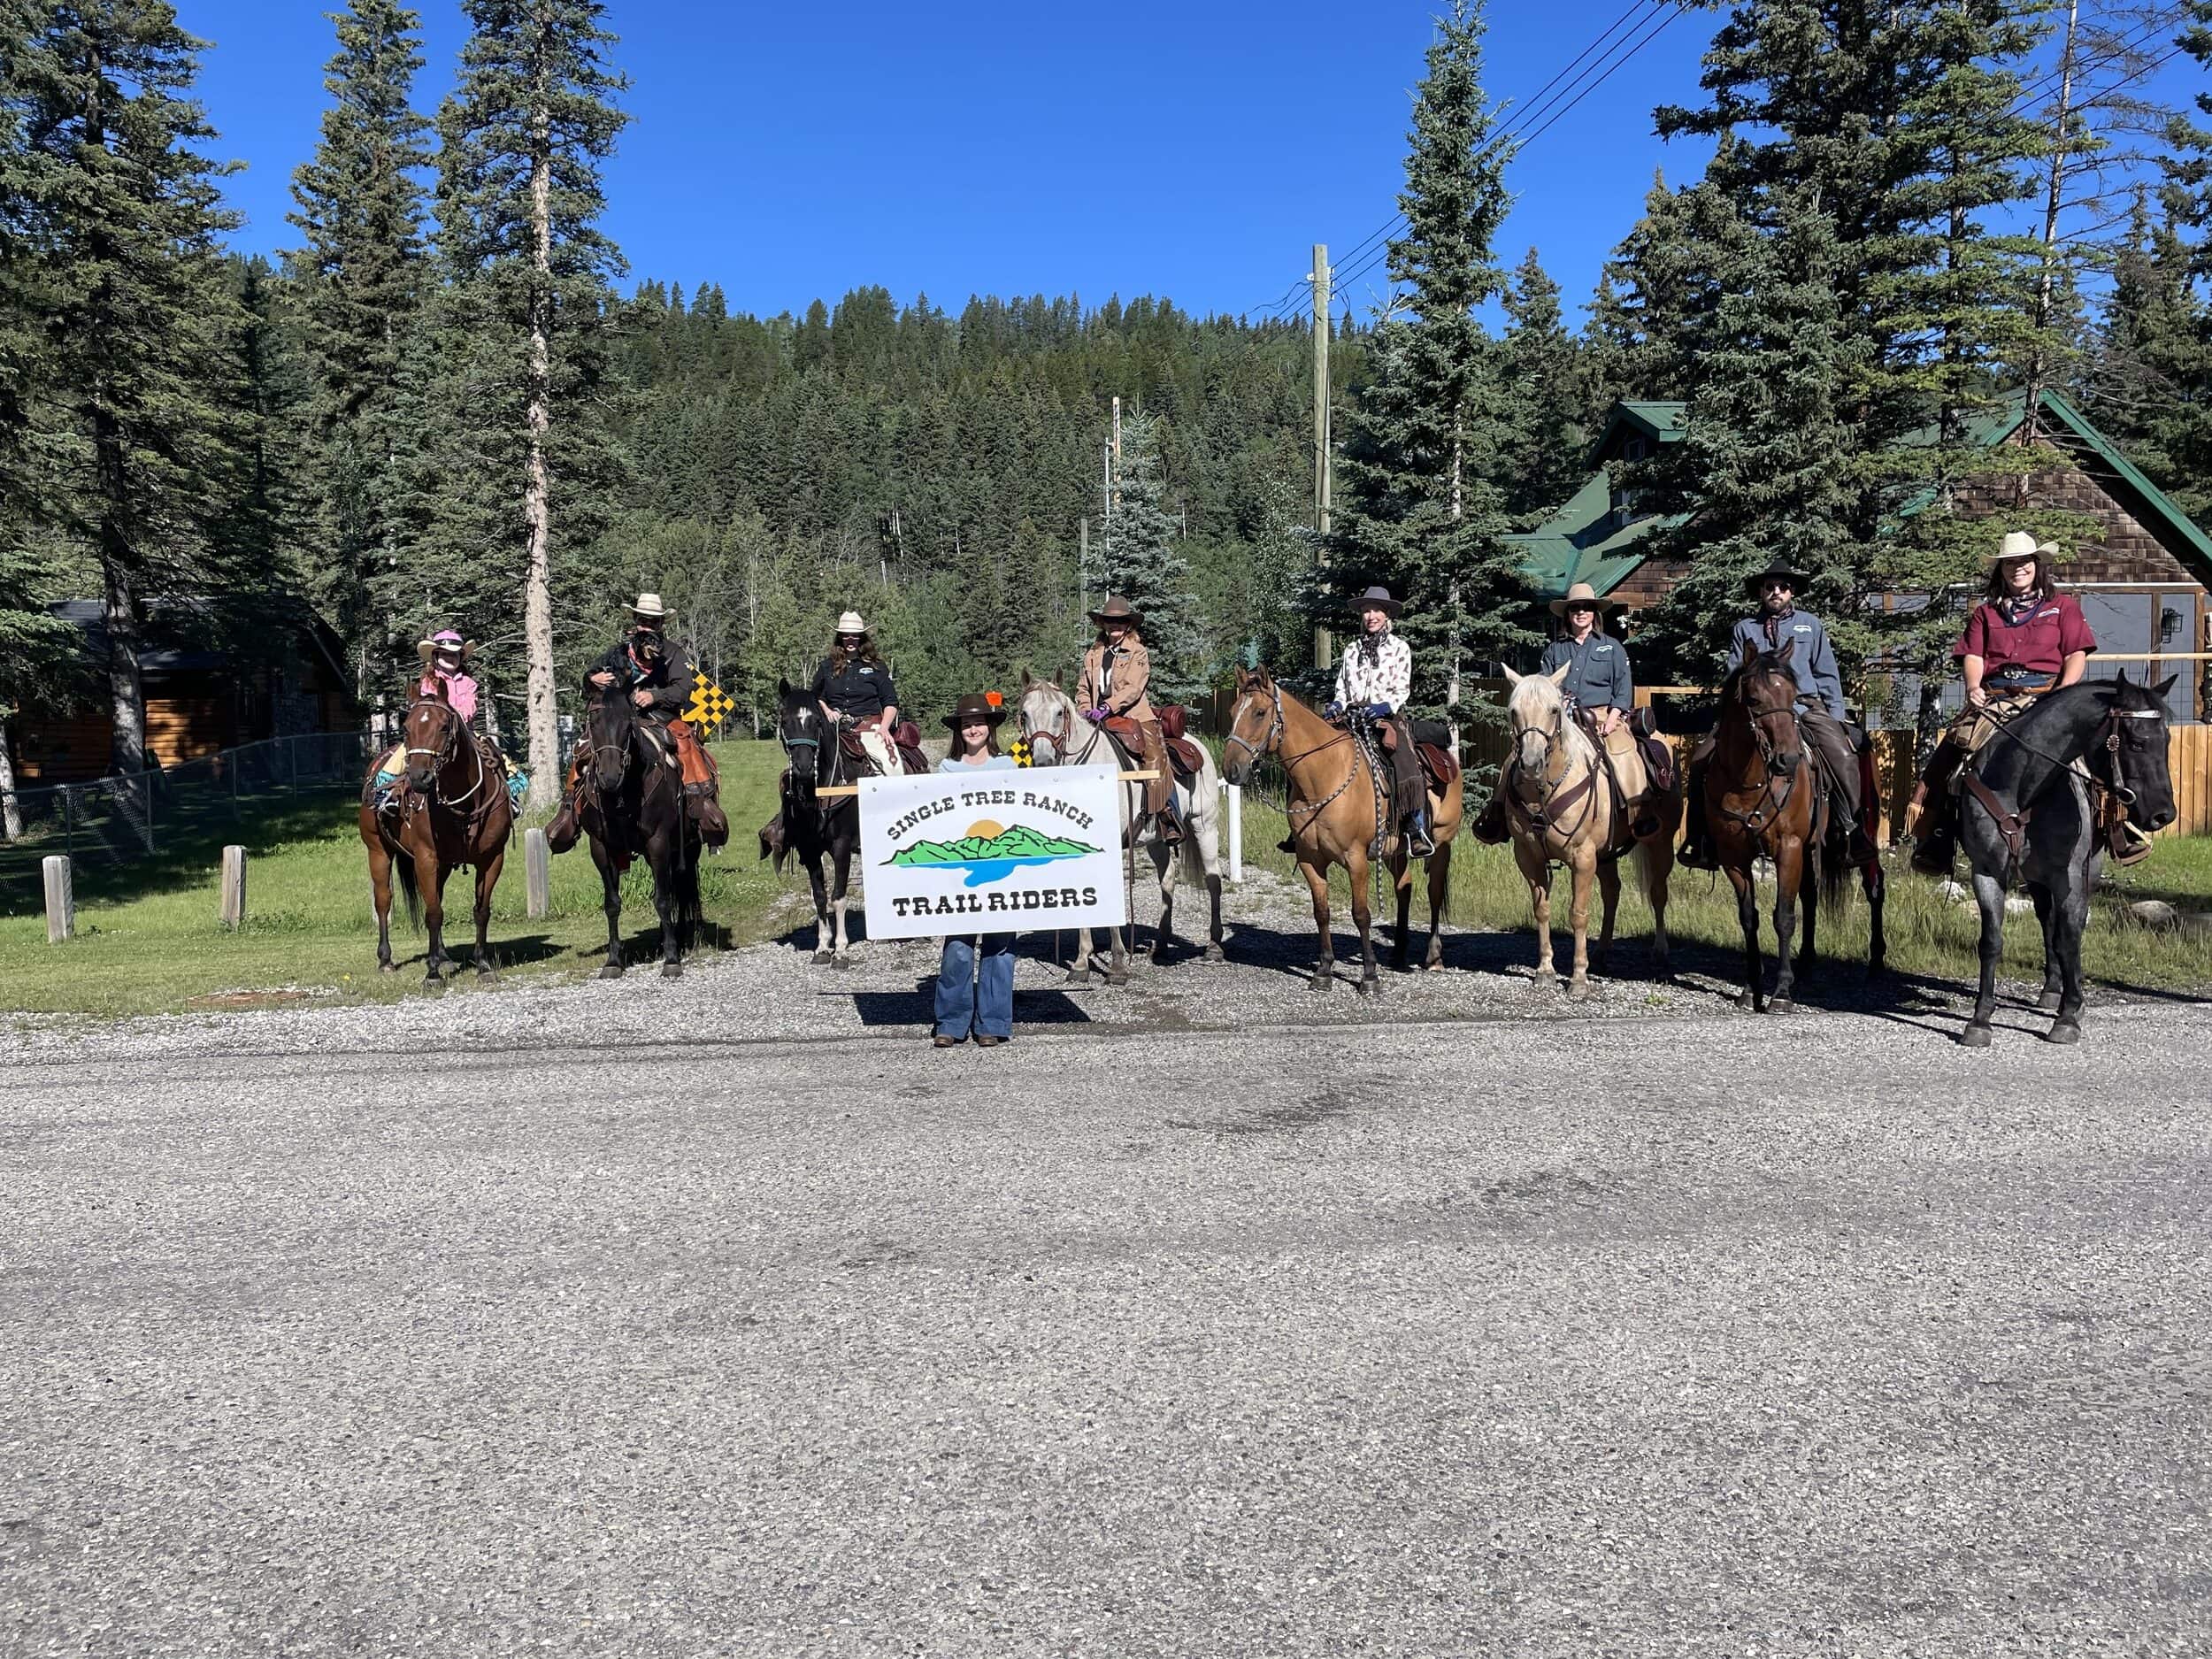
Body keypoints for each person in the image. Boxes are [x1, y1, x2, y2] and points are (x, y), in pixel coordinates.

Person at [1908, 530, 2096, 876]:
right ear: (2001, 570)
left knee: (2096, 759)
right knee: (1952, 754)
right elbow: (1974, 656)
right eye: (2009, 564)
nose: (2017, 569)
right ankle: (1936, 838)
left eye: (2023, 562)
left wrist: (2065, 692)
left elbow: (2075, 654)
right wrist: (1973, 686)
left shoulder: (2063, 608)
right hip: (1995, 697)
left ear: (2037, 566)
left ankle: (2116, 829)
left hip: (2048, 696)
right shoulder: (1986, 614)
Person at [1678, 557, 1881, 869]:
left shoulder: (1810, 625)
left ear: (1791, 592)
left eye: (1782, 587)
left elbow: (1826, 673)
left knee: (1842, 755)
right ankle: (1701, 839)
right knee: (1700, 760)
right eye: (1770, 587)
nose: (1776, 591)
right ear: (1761, 592)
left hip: (1804, 707)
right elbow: (1734, 675)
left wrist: (1836, 715)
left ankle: (1850, 831)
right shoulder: (1744, 629)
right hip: (1754, 714)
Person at [545, 592, 727, 850]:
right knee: (583, 748)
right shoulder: (618, 652)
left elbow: (685, 689)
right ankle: (568, 811)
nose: (648, 626)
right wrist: (592, 680)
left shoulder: (673, 653)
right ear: (636, 621)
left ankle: (702, 807)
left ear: (661, 625)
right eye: (644, 620)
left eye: (653, 622)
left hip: (662, 717)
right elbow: (591, 677)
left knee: (686, 745)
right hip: (618, 717)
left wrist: (654, 695)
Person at [933, 692, 1019, 1048]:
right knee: (958, 946)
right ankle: (951, 1022)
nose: (973, 729)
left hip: (1003, 869)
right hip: (960, 872)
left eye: (979, 723)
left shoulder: (1009, 768)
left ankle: (993, 1022)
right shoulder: (944, 770)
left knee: (1000, 946)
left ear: (990, 728)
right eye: (967, 724)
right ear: (959, 730)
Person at [1325, 584, 1431, 856]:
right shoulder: (1351, 650)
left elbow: (1402, 689)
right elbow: (1342, 686)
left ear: (1386, 615)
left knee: (1403, 758)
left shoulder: (1400, 648)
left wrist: (1383, 707)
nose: (1370, 616)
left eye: (1376, 610)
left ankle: (1414, 828)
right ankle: (1305, 824)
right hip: (1352, 717)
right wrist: (1337, 703)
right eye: (1366, 611)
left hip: (1386, 717)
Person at [1077, 595, 1182, 844]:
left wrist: (1108, 706)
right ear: (1102, 623)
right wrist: (1084, 708)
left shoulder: (1138, 652)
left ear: (1128, 625)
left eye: (1120, 621)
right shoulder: (1093, 653)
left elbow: (1134, 688)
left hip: (1133, 715)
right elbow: (1083, 686)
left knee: (1154, 757)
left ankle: (1167, 816)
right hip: (1096, 718)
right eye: (1109, 621)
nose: (1114, 626)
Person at [811, 610, 905, 777]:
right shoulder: (826, 667)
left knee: (893, 768)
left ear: (861, 638)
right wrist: (827, 711)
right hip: (834, 729)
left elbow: (891, 702)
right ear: (840, 637)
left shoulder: (877, 667)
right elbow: (816, 696)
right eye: (846, 635)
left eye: (854, 636)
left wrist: (884, 728)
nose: (850, 640)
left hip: (870, 729)